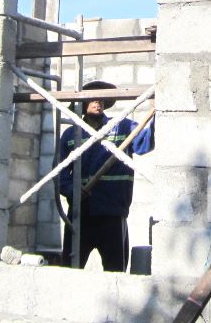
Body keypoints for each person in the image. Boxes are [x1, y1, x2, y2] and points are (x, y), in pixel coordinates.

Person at [57, 80, 154, 272]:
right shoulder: (70, 135)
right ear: (83, 104)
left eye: (101, 99)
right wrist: (72, 190)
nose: (97, 102)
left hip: (112, 213)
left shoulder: (123, 127)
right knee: (69, 272)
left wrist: (156, 113)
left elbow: (145, 142)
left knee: (116, 272)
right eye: (92, 98)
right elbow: (59, 172)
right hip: (80, 214)